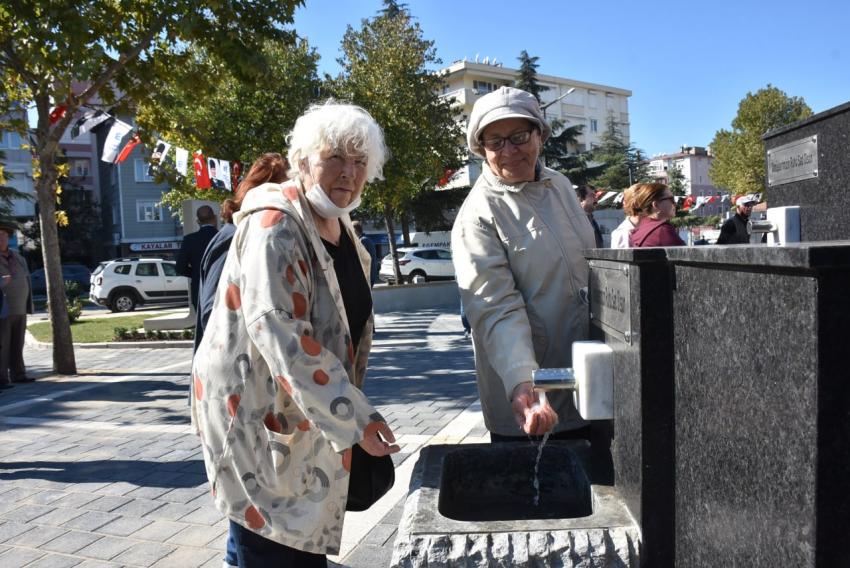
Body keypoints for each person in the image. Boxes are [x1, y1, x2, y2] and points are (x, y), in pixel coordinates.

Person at [192, 101, 399, 567]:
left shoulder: (337, 224)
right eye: (336, 158)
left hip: (299, 412)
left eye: (360, 161)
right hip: (256, 413)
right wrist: (355, 418)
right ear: (303, 160)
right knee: (272, 542)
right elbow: (282, 333)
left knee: (276, 539)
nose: (349, 172)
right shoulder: (276, 224)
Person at [451, 86, 601, 448]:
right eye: (495, 142)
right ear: (480, 148)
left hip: (589, 385)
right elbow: (494, 307)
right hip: (529, 399)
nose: (509, 150)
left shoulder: (560, 185)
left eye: (519, 136)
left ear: (540, 134)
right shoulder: (478, 215)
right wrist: (522, 380)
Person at [191, 153, 288, 568]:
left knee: (250, 504)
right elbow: (217, 316)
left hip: (254, 391)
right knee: (249, 499)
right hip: (239, 391)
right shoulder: (239, 237)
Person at [0, 220, 33, 387]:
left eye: (4, 235)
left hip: (20, 307)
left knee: (17, 344)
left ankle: (19, 374)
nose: (2, 238)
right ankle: (2, 379)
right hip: (3, 310)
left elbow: (26, 278)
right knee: (2, 346)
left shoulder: (17, 256)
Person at [176, 205, 218, 310]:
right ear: (214, 218)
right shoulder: (225, 237)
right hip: (221, 289)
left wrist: (196, 273)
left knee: (202, 324)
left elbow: (180, 268)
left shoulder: (189, 240)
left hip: (199, 290)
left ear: (198, 221)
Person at [628, 183, 686, 247]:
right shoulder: (662, 230)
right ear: (655, 205)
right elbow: (686, 255)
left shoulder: (639, 229)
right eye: (671, 199)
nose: (675, 203)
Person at [352, 220, 379, 287]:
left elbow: (358, 258)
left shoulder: (363, 240)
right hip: (369, 276)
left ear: (355, 230)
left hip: (366, 277)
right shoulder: (366, 239)